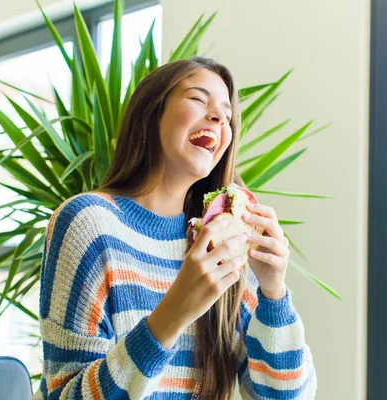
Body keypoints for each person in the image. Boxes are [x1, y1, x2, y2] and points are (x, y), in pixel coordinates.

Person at [33, 56, 317, 399]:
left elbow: (283, 396)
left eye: (227, 116)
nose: (218, 117)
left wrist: (273, 292)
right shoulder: (88, 224)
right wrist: (173, 313)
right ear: (152, 113)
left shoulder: (224, 242)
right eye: (198, 99)